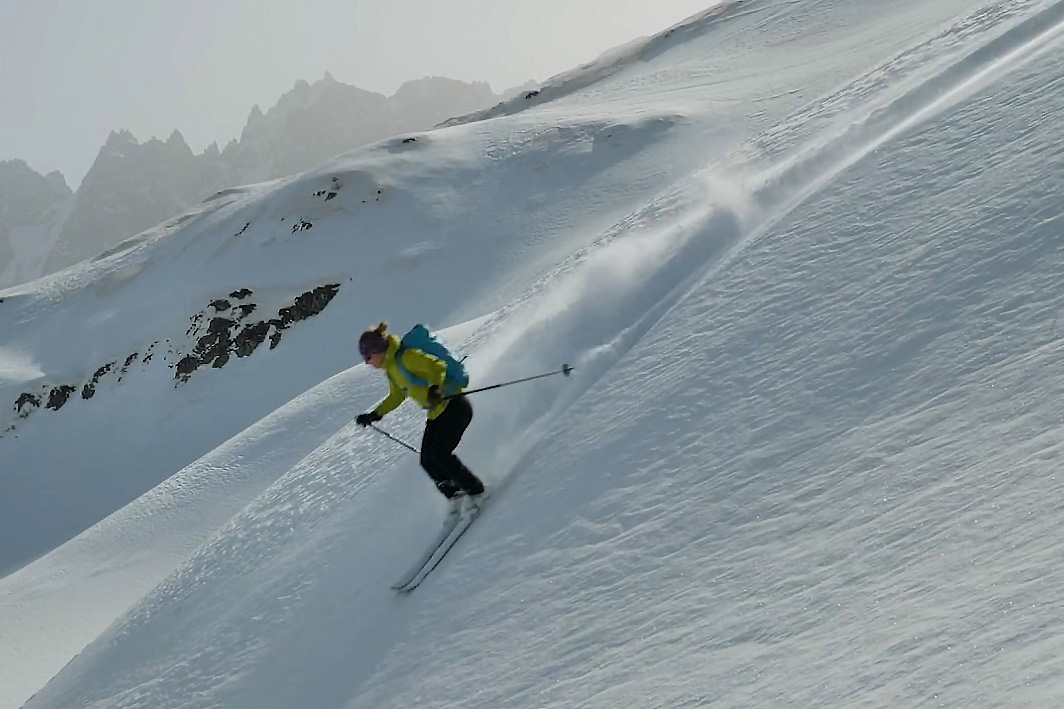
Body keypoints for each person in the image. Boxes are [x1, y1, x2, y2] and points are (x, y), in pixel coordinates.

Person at [355, 322, 486, 516]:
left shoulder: (406, 358)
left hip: (454, 406)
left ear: (377, 351)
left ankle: (476, 491)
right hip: (436, 414)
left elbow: (437, 366)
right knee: (427, 460)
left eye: (368, 357)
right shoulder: (392, 369)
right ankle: (455, 494)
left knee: (441, 455)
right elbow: (396, 396)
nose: (367, 362)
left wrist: (434, 388)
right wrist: (375, 414)